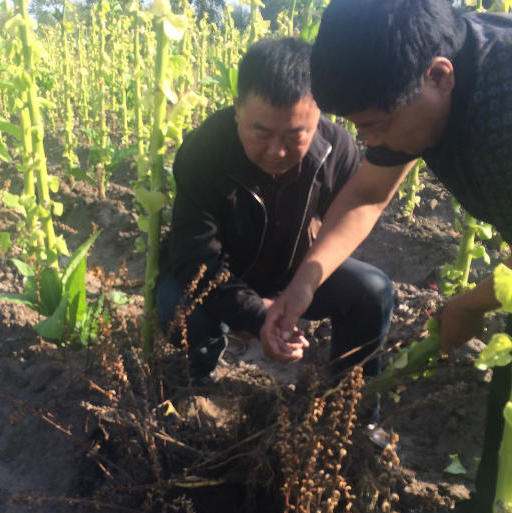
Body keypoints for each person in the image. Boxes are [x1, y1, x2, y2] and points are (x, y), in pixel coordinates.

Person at [262, 0, 512, 513]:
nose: (373, 142)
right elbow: (366, 192)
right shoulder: (415, 81)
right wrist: (305, 281)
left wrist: (467, 305)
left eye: (377, 127)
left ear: (439, 76)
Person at [158, 37, 393, 393]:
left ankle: (350, 404)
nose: (277, 151)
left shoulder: (338, 151)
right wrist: (256, 314)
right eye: (261, 132)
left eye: (295, 134)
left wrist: (301, 289)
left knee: (372, 290)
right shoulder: (204, 151)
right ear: (238, 108)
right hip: (225, 275)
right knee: (179, 303)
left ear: (319, 116)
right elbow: (195, 258)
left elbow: (344, 230)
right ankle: (198, 384)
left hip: (295, 275)